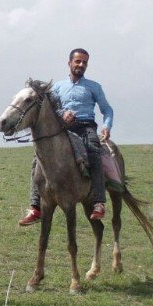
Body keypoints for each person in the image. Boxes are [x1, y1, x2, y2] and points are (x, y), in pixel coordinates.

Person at [19, 48, 113, 226]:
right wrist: (63, 114)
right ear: (69, 63)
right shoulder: (57, 87)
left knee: (94, 152)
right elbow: (52, 108)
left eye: (84, 62)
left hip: (85, 127)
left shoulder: (94, 87)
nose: (81, 65)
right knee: (37, 159)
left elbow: (107, 110)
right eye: (78, 61)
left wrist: (107, 126)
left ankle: (99, 202)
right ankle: (35, 207)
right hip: (63, 129)